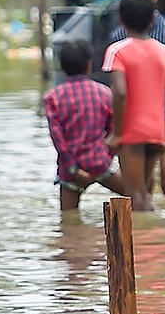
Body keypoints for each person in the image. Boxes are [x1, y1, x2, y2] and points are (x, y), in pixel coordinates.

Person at [102, 0, 165, 212]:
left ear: (122, 20)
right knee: (145, 191)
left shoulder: (117, 51)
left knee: (134, 194)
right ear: (153, 19)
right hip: (156, 131)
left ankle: (143, 242)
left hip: (131, 132)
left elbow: (120, 92)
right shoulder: (164, 52)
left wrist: (117, 133)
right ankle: (155, 242)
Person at [44, 38, 125, 211]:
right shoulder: (104, 93)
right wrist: (106, 156)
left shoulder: (54, 97)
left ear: (61, 66)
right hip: (100, 163)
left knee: (68, 220)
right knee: (135, 196)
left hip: (71, 170)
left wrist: (74, 169)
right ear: (89, 64)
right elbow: (114, 130)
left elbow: (58, 141)